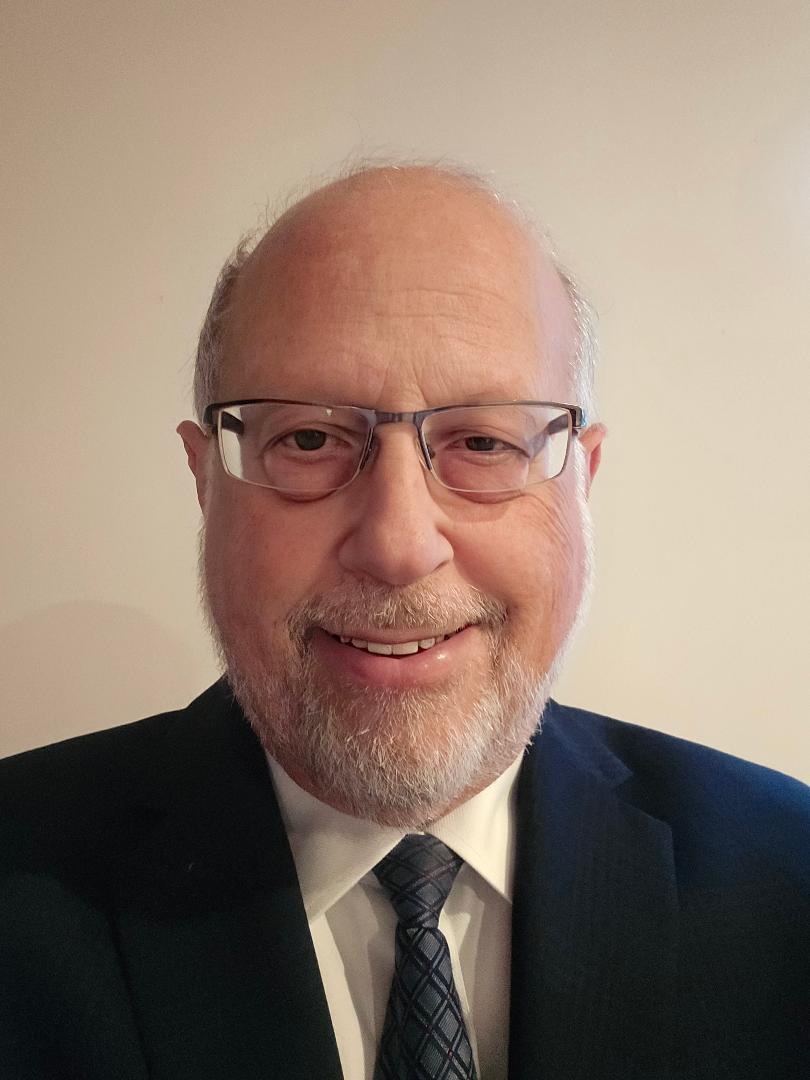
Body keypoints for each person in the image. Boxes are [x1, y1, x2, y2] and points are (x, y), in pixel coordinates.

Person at [1, 164, 807, 1080]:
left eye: (484, 442)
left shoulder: (788, 880)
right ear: (205, 479)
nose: (397, 543)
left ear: (581, 483)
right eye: (308, 438)